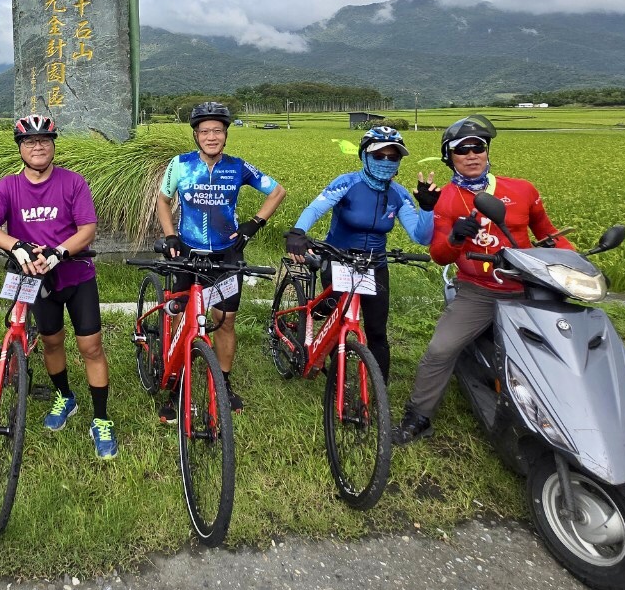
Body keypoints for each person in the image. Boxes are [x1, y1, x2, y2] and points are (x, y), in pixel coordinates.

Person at [395, 114, 573, 443]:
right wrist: (455, 238)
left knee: (564, 350)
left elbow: (549, 235)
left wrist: (575, 262)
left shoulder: (522, 190)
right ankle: (419, 415)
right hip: (478, 291)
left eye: (478, 147)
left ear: (487, 151)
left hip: (528, 287)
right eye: (462, 150)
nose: (472, 155)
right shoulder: (446, 199)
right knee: (440, 349)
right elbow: (439, 255)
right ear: (449, 157)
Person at [0, 114, 117, 459]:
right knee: (52, 342)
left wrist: (58, 252)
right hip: (35, 281)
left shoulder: (73, 182)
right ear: (20, 148)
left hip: (76, 276)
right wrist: (16, 245)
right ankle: (65, 397)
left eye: (43, 141)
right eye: (29, 142)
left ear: (52, 145)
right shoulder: (8, 186)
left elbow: (87, 229)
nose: (37, 147)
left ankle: (101, 418)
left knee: (91, 346)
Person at [156, 101, 286, 418]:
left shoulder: (238, 167)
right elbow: (162, 199)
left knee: (224, 320)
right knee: (182, 316)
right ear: (196, 135)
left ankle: (223, 383)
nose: (211, 136)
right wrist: (170, 235)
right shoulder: (180, 164)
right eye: (205, 131)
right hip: (188, 251)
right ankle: (175, 382)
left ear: (226, 135)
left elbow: (277, 191)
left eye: (217, 130)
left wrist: (254, 225)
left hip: (226, 254)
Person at [283, 126, 439, 382]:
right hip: (339, 258)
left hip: (375, 264)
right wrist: (298, 232)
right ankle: (309, 332)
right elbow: (315, 208)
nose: (386, 162)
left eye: (393, 157)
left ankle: (378, 392)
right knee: (335, 313)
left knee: (377, 331)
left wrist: (427, 208)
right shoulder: (348, 183)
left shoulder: (398, 194)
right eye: (378, 155)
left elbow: (420, 237)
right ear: (364, 156)